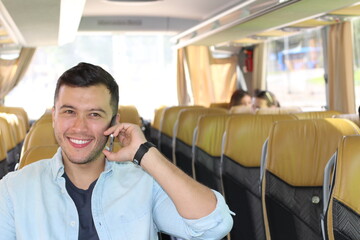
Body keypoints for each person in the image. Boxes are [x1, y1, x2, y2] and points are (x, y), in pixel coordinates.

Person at [0, 62, 233, 239]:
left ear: (114, 122)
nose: (79, 127)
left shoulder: (144, 182)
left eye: (94, 114)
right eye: (69, 111)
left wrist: (145, 153)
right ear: (54, 117)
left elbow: (214, 225)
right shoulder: (13, 189)